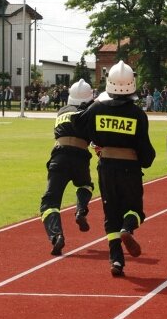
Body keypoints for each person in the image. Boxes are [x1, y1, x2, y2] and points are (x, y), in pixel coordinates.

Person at [73, 61, 156, 277]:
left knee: (111, 215)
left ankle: (116, 261)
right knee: (135, 210)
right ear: (132, 84)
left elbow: (78, 122)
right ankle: (127, 229)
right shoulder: (138, 114)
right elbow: (145, 150)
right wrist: (147, 160)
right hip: (130, 168)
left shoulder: (96, 108)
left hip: (106, 167)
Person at [39, 79, 95, 256]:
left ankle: (56, 236)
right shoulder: (89, 113)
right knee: (85, 185)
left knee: (50, 202)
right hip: (81, 156)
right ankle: (80, 209)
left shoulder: (62, 111)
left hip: (60, 156)